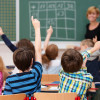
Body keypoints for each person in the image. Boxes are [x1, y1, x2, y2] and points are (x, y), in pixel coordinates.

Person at [4, 16, 42, 97]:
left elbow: (7, 98)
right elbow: (38, 51)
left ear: (15, 63)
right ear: (32, 61)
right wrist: (37, 28)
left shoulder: (10, 80)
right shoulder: (36, 75)